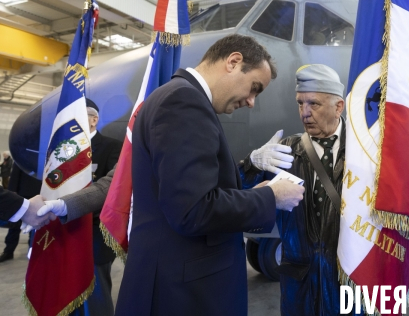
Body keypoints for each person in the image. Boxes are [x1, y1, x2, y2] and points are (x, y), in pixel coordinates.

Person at [114, 34, 304, 316]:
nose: (251, 102)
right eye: (254, 88)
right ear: (234, 62)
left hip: (178, 280)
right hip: (183, 292)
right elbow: (193, 209)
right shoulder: (184, 103)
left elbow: (193, 187)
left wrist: (250, 175)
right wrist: (270, 196)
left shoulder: (180, 98)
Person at [240, 64, 349, 316]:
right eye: (300, 103)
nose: (305, 113)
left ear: (338, 106)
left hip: (347, 281)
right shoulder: (285, 151)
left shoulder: (364, 154)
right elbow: (235, 195)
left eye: (314, 104)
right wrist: (252, 163)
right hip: (299, 287)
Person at [35, 98, 122, 315]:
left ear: (93, 120)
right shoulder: (61, 149)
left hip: (92, 233)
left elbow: (110, 191)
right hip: (59, 229)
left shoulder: (112, 147)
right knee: (61, 292)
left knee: (95, 297)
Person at [0, 164, 41, 262]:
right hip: (21, 196)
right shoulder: (24, 153)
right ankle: (8, 251)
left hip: (38, 195)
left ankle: (31, 251)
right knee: (14, 226)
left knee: (34, 227)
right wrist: (12, 192)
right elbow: (15, 174)